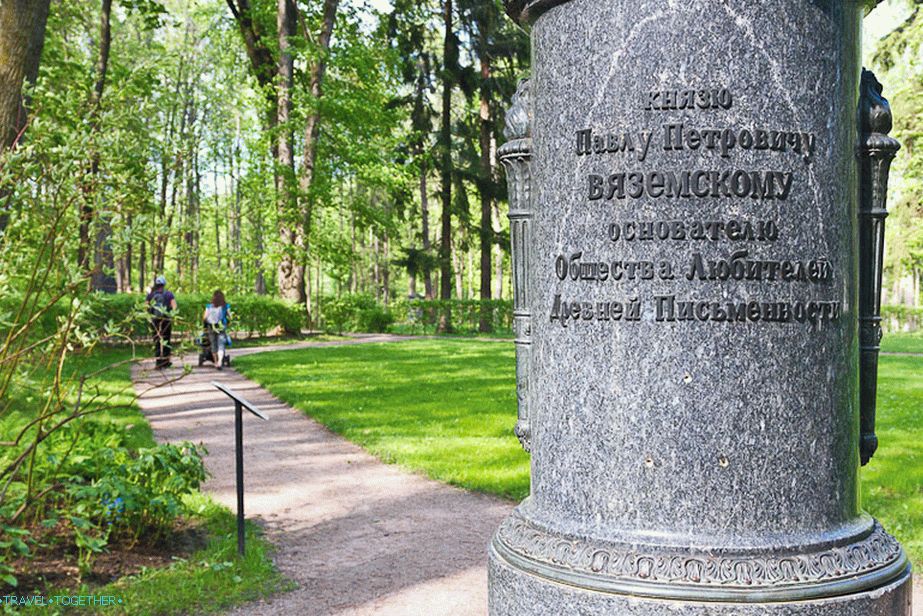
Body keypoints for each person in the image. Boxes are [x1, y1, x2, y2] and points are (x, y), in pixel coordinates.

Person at [146, 276, 177, 369]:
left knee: (157, 341)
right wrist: (171, 315)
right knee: (166, 340)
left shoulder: (151, 295)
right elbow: (174, 306)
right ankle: (166, 361)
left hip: (155, 320)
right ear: (164, 284)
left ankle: (158, 362)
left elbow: (146, 307)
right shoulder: (169, 294)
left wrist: (150, 316)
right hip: (166, 320)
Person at [203, 290, 230, 370]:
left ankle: (215, 362)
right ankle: (220, 361)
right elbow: (230, 316)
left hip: (211, 327)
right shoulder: (226, 306)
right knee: (221, 344)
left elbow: (204, 317)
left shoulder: (209, 306)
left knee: (213, 344)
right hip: (221, 326)